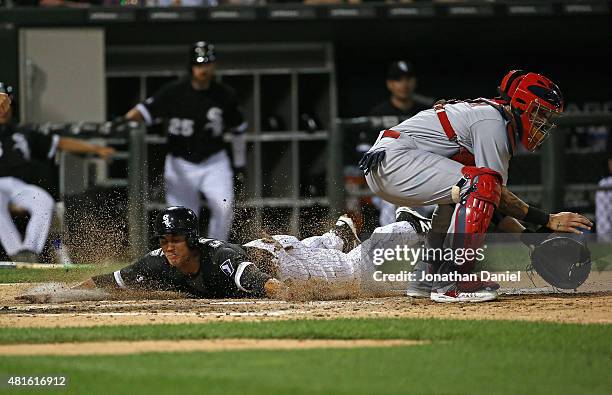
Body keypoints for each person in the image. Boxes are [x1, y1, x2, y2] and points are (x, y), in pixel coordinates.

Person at [359, 70, 593, 303]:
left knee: (465, 193)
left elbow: (490, 205)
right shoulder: (493, 122)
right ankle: (454, 280)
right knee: (480, 183)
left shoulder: (493, 117)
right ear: (521, 104)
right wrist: (546, 219)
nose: (542, 122)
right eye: (539, 113)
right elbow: (493, 194)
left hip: (392, 164)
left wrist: (528, 237)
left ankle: (427, 277)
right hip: (394, 162)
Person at [125, 41, 247, 242]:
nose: (203, 69)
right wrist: (123, 122)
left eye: (207, 64)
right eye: (199, 64)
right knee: (182, 217)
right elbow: (143, 111)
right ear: (191, 66)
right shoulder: (174, 91)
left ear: (214, 65)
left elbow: (239, 129)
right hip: (180, 162)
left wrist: (240, 164)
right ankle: (187, 260)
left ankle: (217, 252)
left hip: (213, 161)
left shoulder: (224, 95)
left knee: (224, 208)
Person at [0, 82, 115, 263]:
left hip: (19, 187)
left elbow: (60, 143)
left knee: (44, 201)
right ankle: (15, 250)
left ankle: (28, 252)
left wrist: (95, 148)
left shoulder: (23, 134)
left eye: (4, 102)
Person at [368, 61, 434, 226]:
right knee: (392, 221)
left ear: (414, 82)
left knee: (423, 227)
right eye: (398, 80)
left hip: (421, 176)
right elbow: (364, 152)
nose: (404, 84)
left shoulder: (425, 112)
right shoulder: (379, 113)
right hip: (388, 178)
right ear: (390, 84)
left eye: (408, 79)